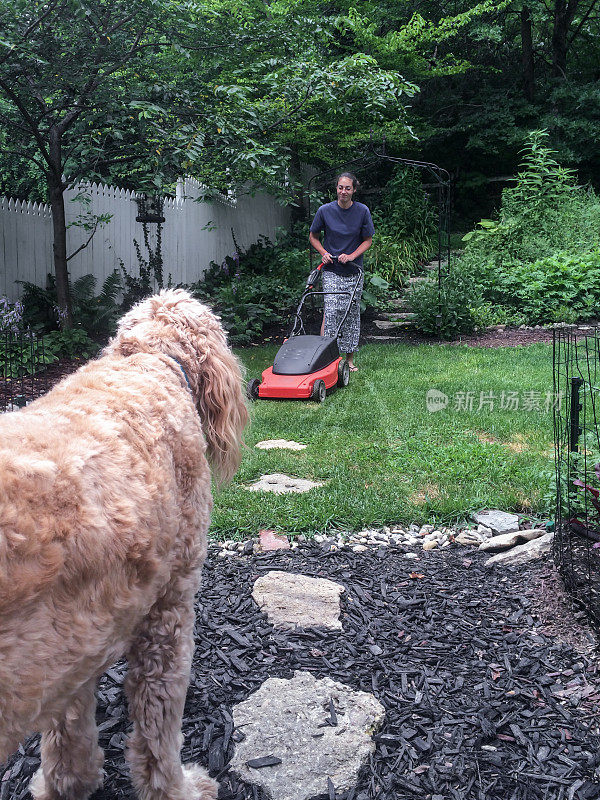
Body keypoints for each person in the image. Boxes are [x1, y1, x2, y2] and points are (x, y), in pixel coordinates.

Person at [308, 172, 374, 371]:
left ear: (354, 190)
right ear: (336, 188)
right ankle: (324, 358)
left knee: (351, 313)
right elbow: (313, 236)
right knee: (331, 310)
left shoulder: (362, 211)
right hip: (331, 270)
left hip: (353, 271)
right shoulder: (324, 210)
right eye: (340, 187)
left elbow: (368, 240)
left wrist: (352, 256)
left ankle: (349, 360)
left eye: (347, 188)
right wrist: (324, 253)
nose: (343, 191)